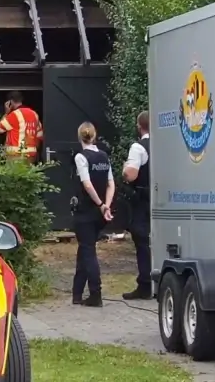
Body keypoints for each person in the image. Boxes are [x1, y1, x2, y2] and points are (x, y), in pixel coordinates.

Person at [72, 122, 115, 307]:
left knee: (88, 251)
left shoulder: (81, 157)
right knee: (85, 248)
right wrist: (107, 206)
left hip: (86, 211)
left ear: (80, 137)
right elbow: (111, 184)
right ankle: (77, 292)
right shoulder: (104, 156)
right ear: (95, 136)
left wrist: (99, 204)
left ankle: (96, 293)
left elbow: (87, 184)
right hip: (99, 213)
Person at [122, 110, 152, 300]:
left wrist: (125, 170)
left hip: (144, 198)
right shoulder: (166, 143)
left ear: (139, 126)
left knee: (142, 240)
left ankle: (145, 284)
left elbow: (131, 174)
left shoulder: (138, 147)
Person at [0, 91, 43, 163]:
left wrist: (6, 113)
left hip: (15, 154)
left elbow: (0, 129)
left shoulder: (14, 114)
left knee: (14, 174)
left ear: (10, 102)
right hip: (31, 155)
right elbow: (40, 135)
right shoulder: (34, 114)